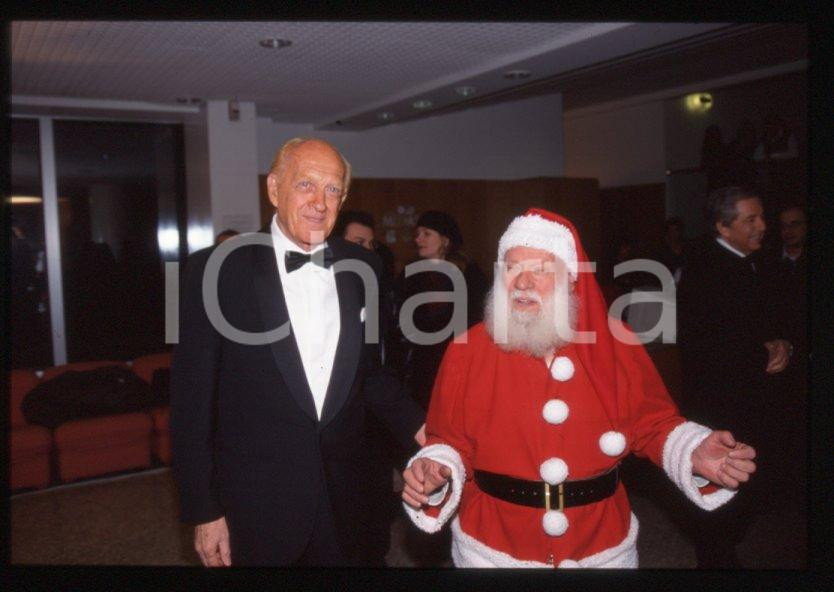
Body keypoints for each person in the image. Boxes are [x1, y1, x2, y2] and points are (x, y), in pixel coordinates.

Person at [400, 208, 757, 568]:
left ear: (571, 278)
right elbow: (448, 438)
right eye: (511, 267)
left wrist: (692, 449)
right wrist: (437, 466)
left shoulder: (617, 342)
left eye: (540, 269)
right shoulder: (468, 349)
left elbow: (653, 422)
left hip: (600, 543)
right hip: (494, 544)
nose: (522, 282)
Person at [170, 137, 426, 567]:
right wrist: (204, 510)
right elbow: (191, 402)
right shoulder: (215, 269)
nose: (319, 202)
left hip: (349, 500)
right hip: (256, 506)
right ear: (274, 188)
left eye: (332, 190)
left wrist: (426, 431)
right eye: (306, 184)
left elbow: (372, 374)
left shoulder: (364, 267)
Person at [677, 186, 794, 567]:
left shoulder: (757, 263)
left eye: (762, 217)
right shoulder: (705, 271)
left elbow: (775, 320)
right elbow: (715, 344)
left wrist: (784, 344)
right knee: (716, 502)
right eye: (751, 220)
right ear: (723, 228)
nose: (763, 225)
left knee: (746, 495)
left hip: (751, 402)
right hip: (720, 408)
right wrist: (765, 350)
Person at [391, 210, 488, 411]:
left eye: (426, 234)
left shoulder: (469, 273)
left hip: (459, 359)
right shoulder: (411, 273)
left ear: (445, 240)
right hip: (421, 365)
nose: (418, 239)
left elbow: (478, 317)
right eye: (417, 234)